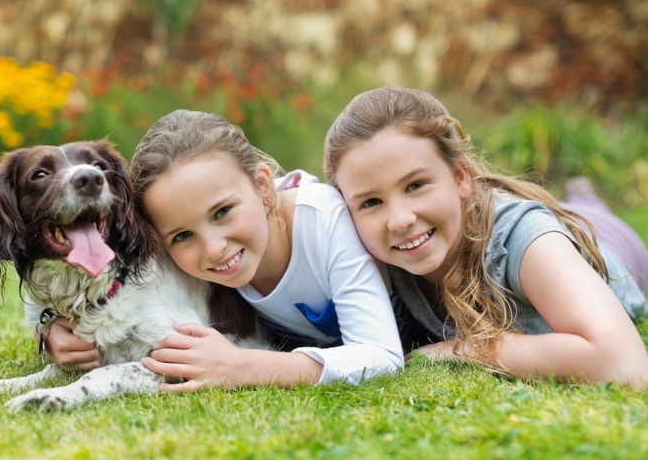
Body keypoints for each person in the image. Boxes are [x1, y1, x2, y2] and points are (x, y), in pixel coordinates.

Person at [44, 109, 404, 390]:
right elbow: (116, 293)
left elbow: (383, 355)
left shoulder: (323, 222)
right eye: (182, 236)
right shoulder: (180, 249)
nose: (214, 249)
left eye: (223, 212)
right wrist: (50, 334)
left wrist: (243, 366)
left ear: (264, 186)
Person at [323, 85, 648, 390]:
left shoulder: (523, 238)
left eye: (416, 185)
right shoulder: (365, 252)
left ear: (460, 176)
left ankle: (585, 198)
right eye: (371, 202)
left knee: (581, 214)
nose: (399, 220)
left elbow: (623, 363)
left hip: (611, 238)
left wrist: (469, 349)